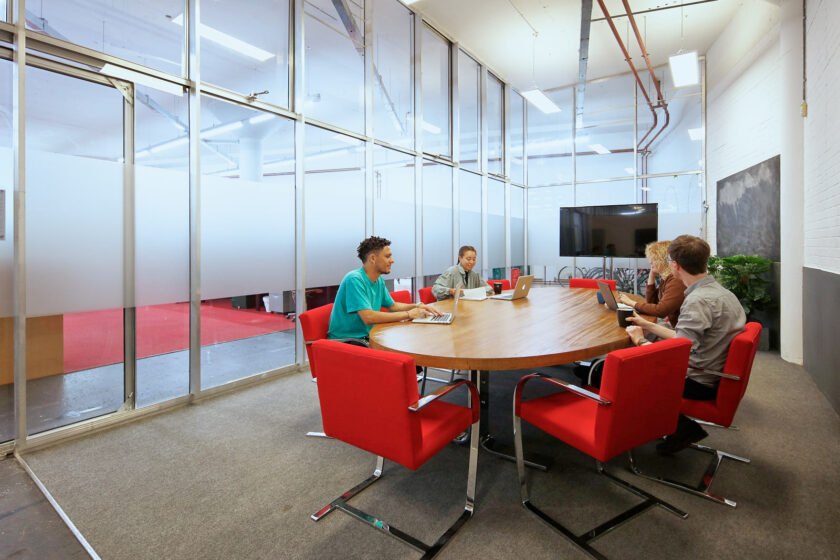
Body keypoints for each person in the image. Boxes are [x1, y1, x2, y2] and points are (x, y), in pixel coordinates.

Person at [625, 234, 746, 454]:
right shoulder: (722, 293)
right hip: (715, 372)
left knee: (622, 373)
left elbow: (679, 349)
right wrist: (647, 325)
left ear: (675, 265)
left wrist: (639, 339)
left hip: (697, 379)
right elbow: (684, 338)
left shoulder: (697, 300)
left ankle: (683, 428)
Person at [328, 236, 440, 343]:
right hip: (348, 341)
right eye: (388, 256)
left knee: (412, 344)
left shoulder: (378, 280)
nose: (392, 261)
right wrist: (408, 314)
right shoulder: (354, 279)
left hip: (369, 336)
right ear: (372, 258)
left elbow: (392, 306)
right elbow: (368, 317)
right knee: (403, 354)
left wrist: (417, 306)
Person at [618, 240, 685, 327]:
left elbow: (660, 311)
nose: (650, 262)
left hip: (678, 331)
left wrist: (631, 303)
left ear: (663, 260)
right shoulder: (666, 278)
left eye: (654, 259)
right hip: (673, 326)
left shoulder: (676, 280)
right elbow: (651, 303)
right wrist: (651, 275)